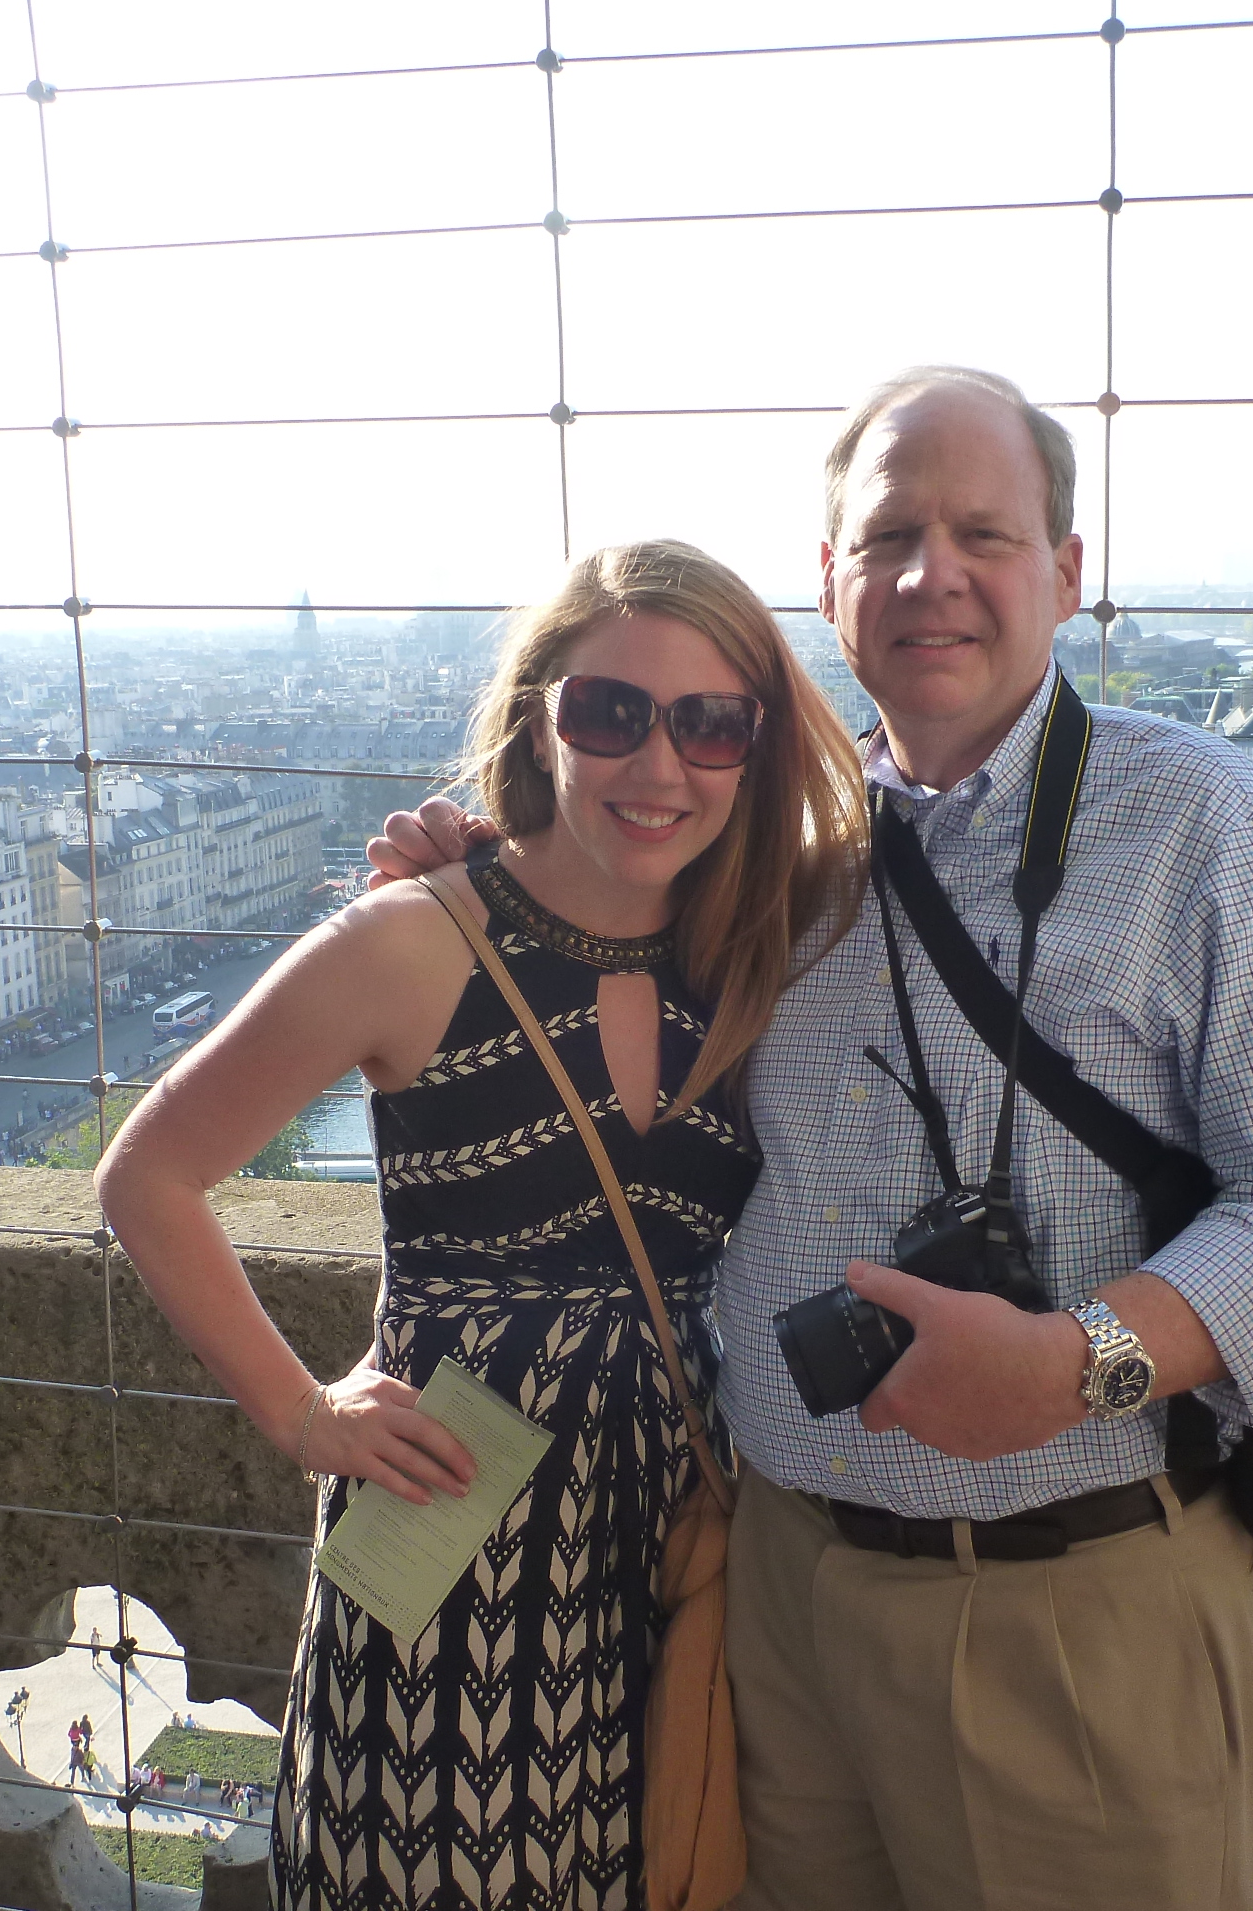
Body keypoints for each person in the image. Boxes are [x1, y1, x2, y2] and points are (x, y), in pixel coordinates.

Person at [368, 366, 1253, 1910]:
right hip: (785, 1594)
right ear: (829, 582)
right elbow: (609, 985)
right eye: (890, 538)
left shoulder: (1200, 822)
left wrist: (1075, 1363)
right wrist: (485, 880)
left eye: (986, 535)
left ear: (1068, 571)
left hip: (1074, 1605)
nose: (935, 575)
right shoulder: (770, 844)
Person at [96, 540, 865, 1911]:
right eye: (610, 712)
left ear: (756, 746)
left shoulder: (761, 944)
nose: (660, 764)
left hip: (682, 1534)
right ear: (537, 717)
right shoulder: (411, 942)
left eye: (711, 723)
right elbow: (147, 1176)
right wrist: (303, 1412)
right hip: (444, 1535)